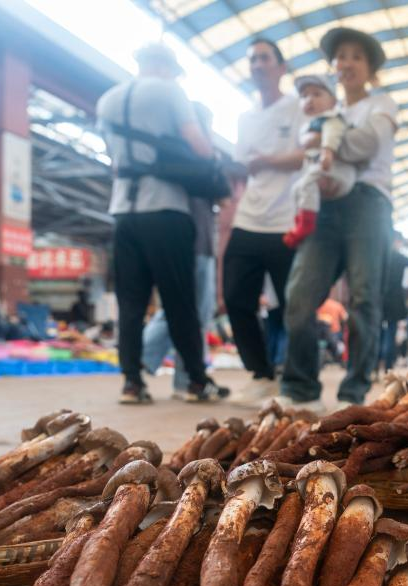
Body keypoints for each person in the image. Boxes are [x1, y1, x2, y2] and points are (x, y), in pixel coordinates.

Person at [96, 43, 226, 404]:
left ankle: (132, 382)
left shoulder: (107, 99)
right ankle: (196, 381)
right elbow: (200, 147)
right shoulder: (170, 91)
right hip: (166, 208)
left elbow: (113, 158)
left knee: (131, 303)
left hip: (123, 210)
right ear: (167, 66)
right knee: (179, 300)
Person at [279, 27, 399, 410]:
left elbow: (368, 145)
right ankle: (300, 388)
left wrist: (323, 140)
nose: (346, 63)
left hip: (369, 203)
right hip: (326, 206)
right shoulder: (330, 110)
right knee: (299, 296)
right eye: (341, 56)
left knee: (365, 298)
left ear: (370, 68)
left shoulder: (383, 105)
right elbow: (314, 151)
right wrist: (322, 140)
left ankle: (353, 393)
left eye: (356, 57)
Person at [224, 37, 305, 405]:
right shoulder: (246, 116)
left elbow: (306, 155)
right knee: (236, 297)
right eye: (252, 59)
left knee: (292, 306)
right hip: (249, 217)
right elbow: (245, 164)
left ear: (280, 66)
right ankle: (260, 373)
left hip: (287, 219)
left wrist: (270, 159)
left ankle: (299, 378)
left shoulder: (298, 108)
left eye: (264, 58)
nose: (257, 65)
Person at [141, 102, 221, 399]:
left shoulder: (179, 155)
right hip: (193, 242)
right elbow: (219, 190)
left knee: (184, 310)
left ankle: (180, 376)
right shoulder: (188, 155)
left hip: (196, 243)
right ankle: (178, 374)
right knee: (189, 312)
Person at [282, 73, 357, 248]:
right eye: (304, 96)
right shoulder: (309, 125)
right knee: (296, 189)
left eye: (317, 94)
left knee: (305, 184)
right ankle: (298, 222)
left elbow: (332, 135)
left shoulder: (331, 119)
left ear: (333, 101)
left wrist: (327, 152)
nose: (309, 99)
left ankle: (306, 225)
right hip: (323, 172)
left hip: (336, 171)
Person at [381, 231, 408, 371]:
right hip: (395, 300)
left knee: (378, 334)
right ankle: (387, 367)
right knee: (391, 334)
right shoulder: (399, 257)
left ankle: (374, 368)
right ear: (397, 241)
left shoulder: (382, 256)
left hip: (380, 298)